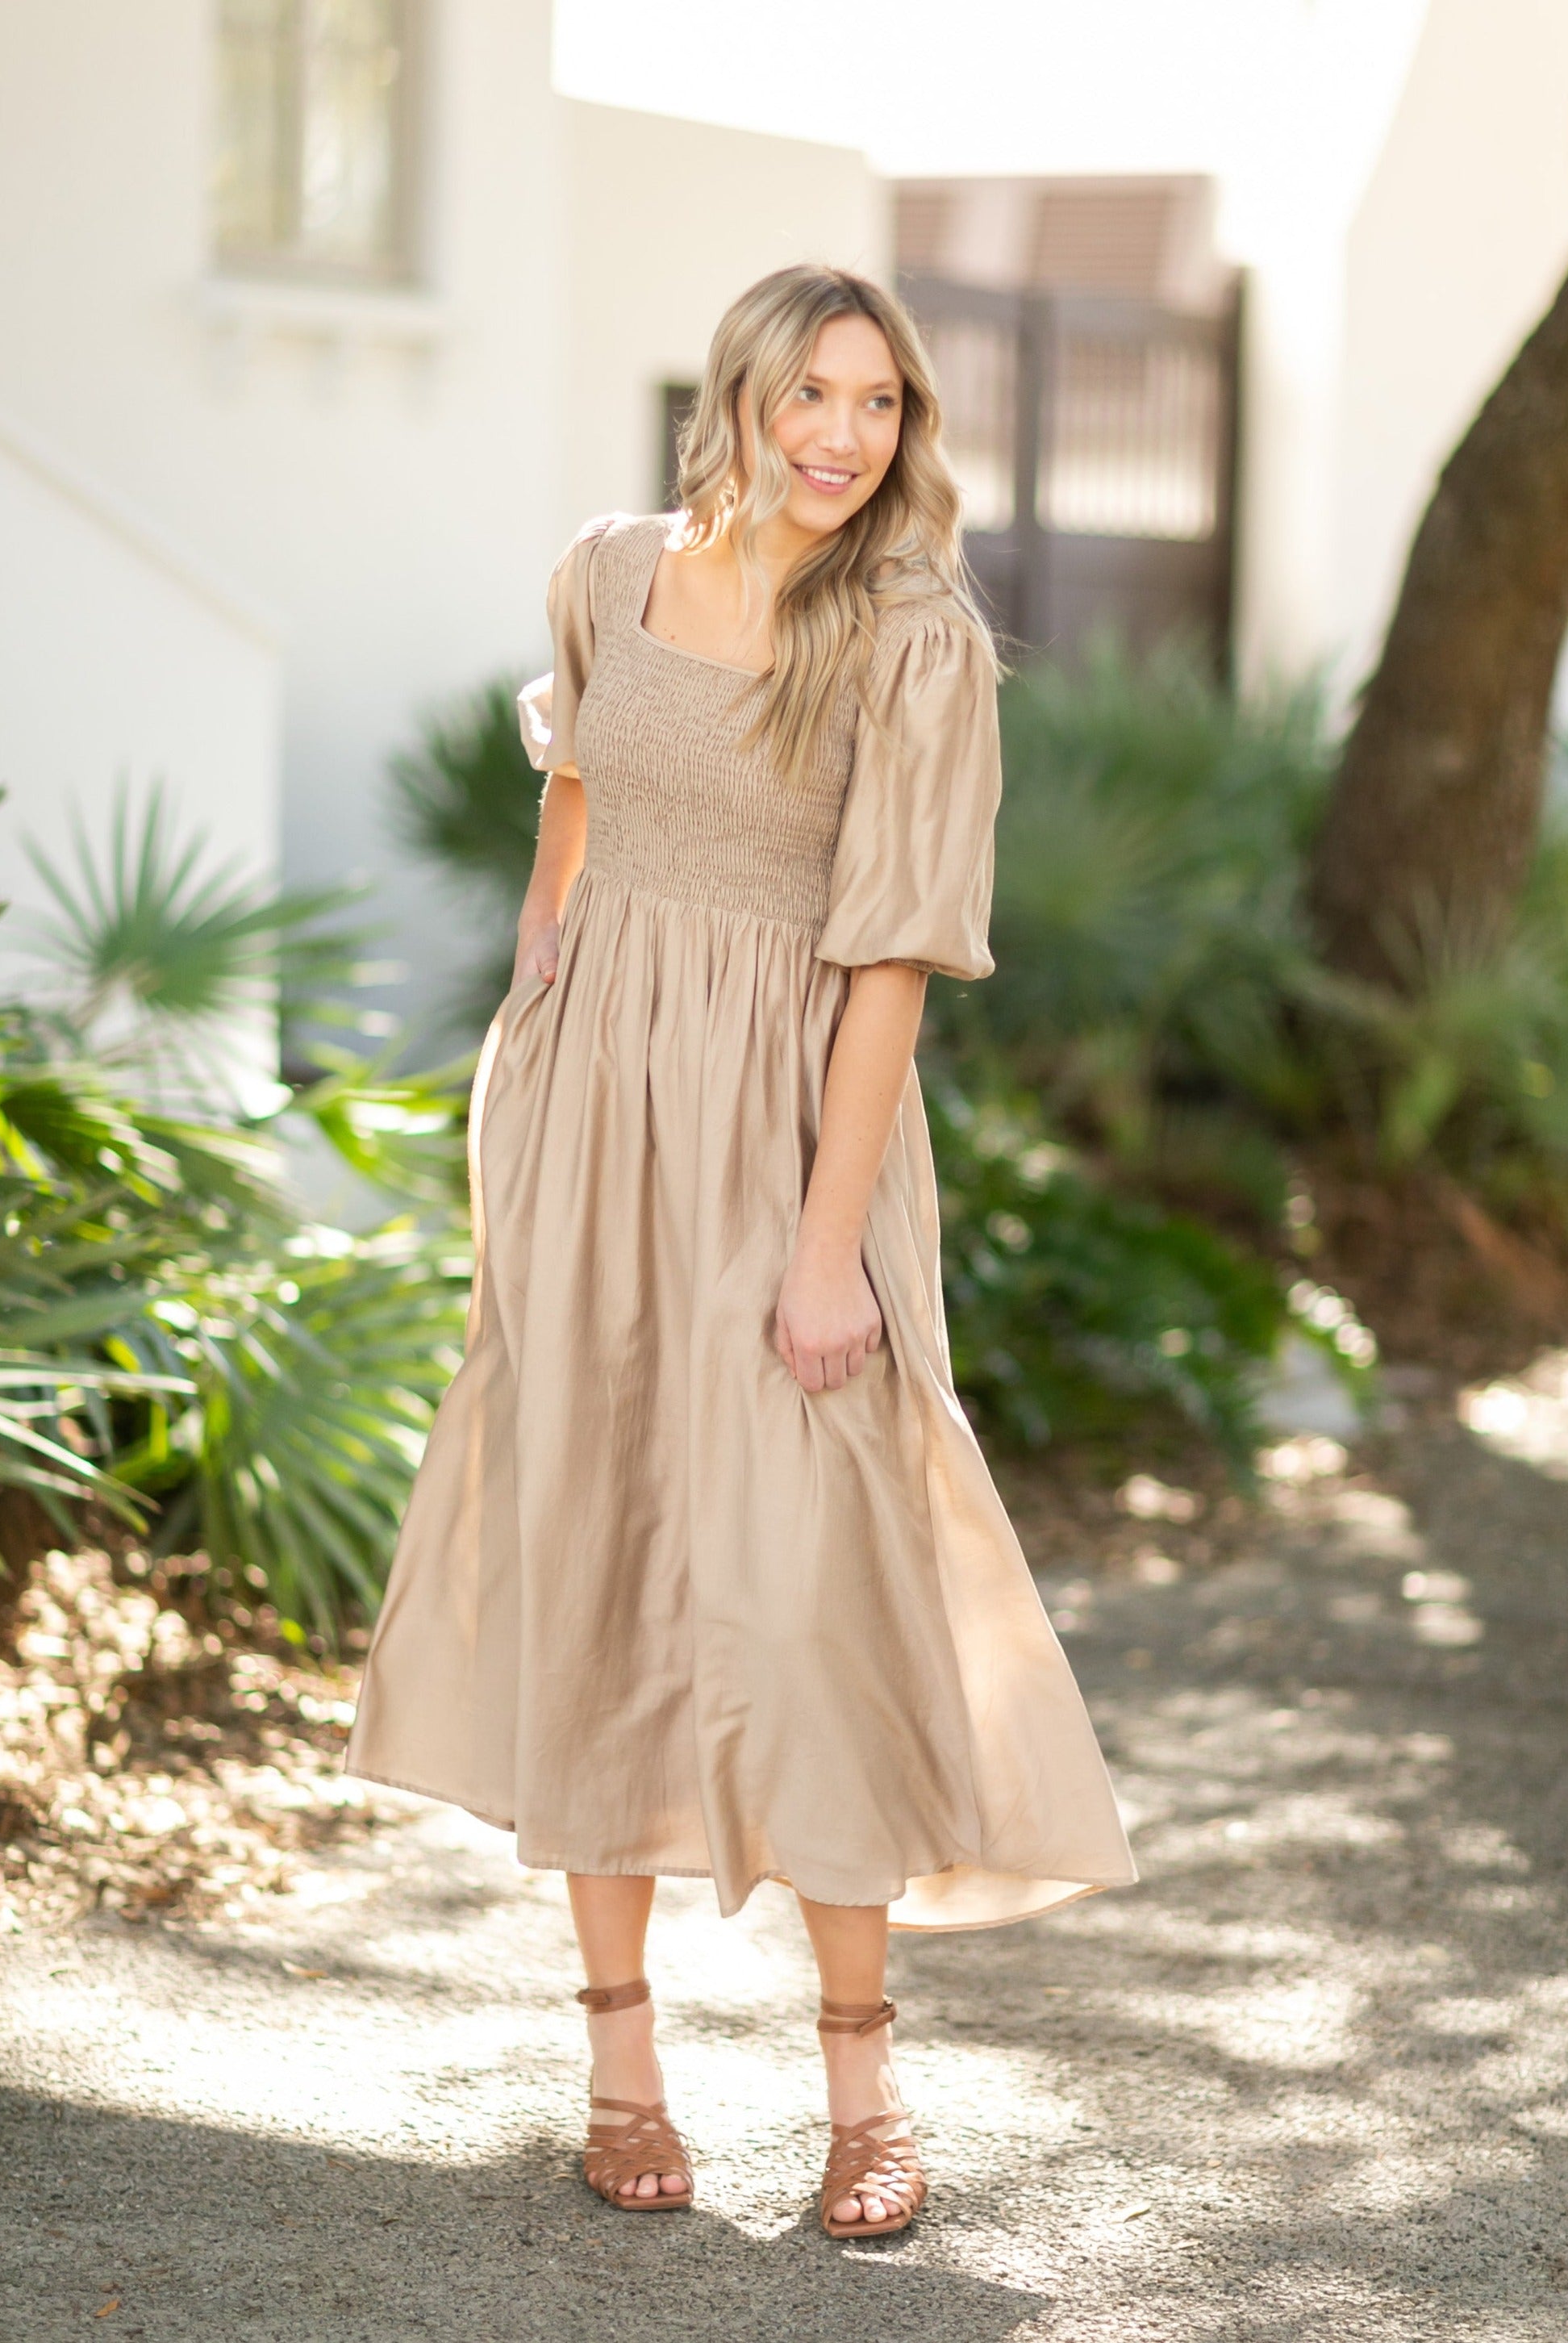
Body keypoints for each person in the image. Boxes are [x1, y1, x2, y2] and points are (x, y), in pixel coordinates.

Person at [347, 263, 1135, 2239]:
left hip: (797, 1127)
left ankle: (863, 2097)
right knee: (599, 1554)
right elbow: (581, 794)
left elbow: (887, 960)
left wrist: (824, 1248)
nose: (843, 436)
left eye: (878, 404)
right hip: (586, 1127)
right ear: (740, 395)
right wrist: (534, 1020)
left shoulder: (912, 640)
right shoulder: (607, 570)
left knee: (815, 1592)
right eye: (813, 394)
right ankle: (620, 2075)